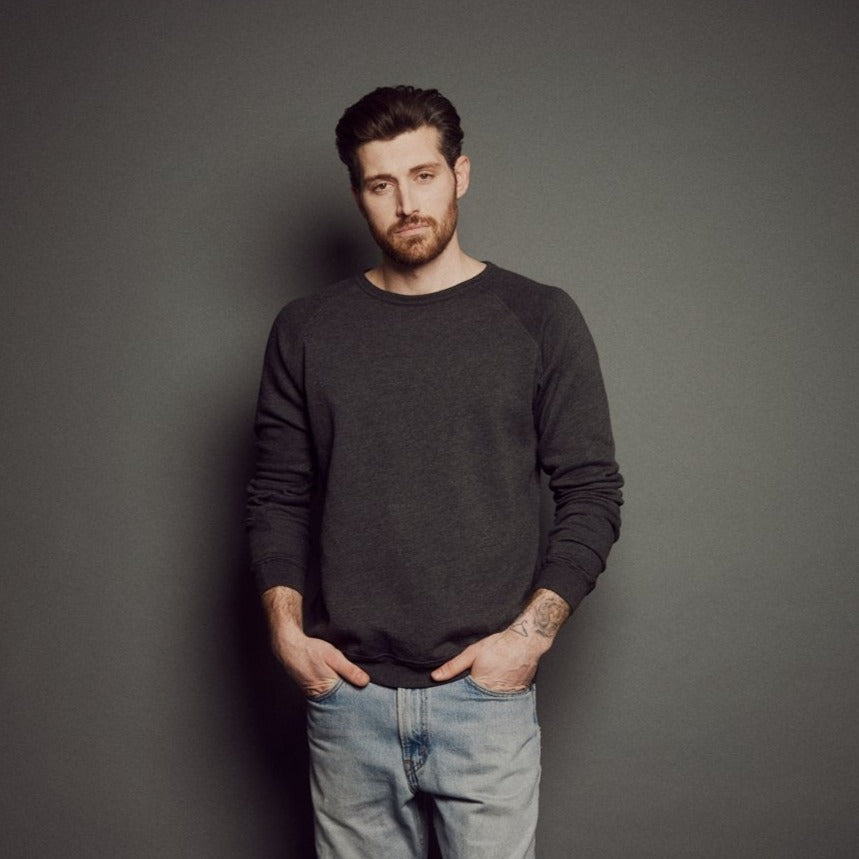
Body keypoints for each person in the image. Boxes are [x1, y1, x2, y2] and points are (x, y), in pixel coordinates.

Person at [246, 85, 623, 858]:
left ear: (460, 174)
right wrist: (287, 634)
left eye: (422, 176)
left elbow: (591, 494)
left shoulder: (538, 317)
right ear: (357, 194)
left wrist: (525, 640)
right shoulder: (307, 329)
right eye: (380, 184)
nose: (405, 203)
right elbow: (277, 493)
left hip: (483, 702)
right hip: (347, 701)